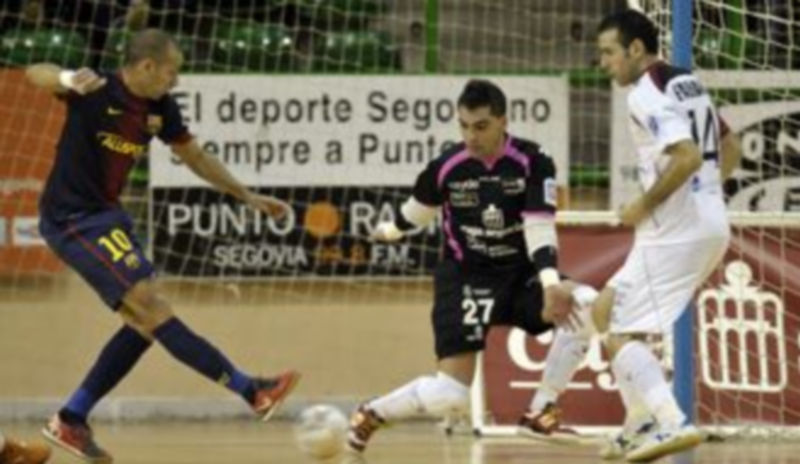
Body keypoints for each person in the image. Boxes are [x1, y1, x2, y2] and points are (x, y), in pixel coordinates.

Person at [25, 28, 300, 463]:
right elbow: (33, 72)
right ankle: (252, 390)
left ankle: (71, 418)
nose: (176, 81)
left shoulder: (159, 107)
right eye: (172, 72)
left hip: (108, 216)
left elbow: (195, 157)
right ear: (148, 66)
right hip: (72, 218)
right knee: (152, 307)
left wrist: (246, 195)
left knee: (143, 324)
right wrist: (63, 78)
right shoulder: (95, 88)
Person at [345, 79, 599, 459]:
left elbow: (539, 226)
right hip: (465, 279)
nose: (471, 136)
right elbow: (416, 212)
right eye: (464, 126)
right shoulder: (448, 166)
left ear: (502, 121)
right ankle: (371, 414)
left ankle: (541, 409)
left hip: (519, 275)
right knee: (450, 396)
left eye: (480, 126)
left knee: (587, 302)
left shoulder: (533, 161)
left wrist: (549, 283)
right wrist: (390, 231)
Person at [592, 9, 742, 462]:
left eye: (608, 53)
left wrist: (644, 205)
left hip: (677, 230)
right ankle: (639, 420)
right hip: (702, 222)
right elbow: (729, 146)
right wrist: (707, 197)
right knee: (604, 311)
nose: (602, 64)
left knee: (618, 326)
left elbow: (688, 157)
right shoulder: (685, 81)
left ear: (635, 49)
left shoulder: (645, 93)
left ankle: (671, 422)